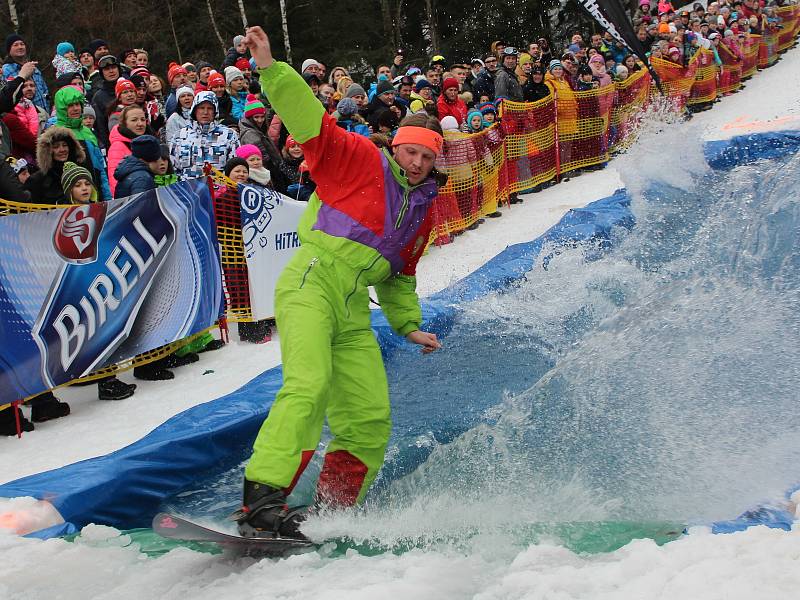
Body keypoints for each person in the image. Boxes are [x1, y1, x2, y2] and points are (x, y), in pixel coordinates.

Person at [232, 26, 442, 540]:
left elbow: (400, 276)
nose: (416, 163)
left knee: (369, 415)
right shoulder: (360, 159)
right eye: (411, 151)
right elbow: (312, 123)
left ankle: (334, 509)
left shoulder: (421, 212)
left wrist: (408, 324)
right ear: (398, 145)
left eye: (427, 157)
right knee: (308, 385)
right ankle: (262, 498)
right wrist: (270, 69)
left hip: (353, 309)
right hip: (311, 282)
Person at [53, 85, 112, 200]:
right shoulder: (56, 134)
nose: (76, 108)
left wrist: (107, 197)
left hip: (95, 195)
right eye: (70, 105)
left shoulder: (88, 132)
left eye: (78, 104)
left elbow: (100, 168)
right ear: (62, 108)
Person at [169, 90, 240, 180]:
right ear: (194, 110)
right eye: (201, 108)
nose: (205, 112)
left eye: (210, 108)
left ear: (215, 112)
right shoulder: (179, 136)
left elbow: (235, 168)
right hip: (189, 191)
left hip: (219, 191)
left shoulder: (229, 135)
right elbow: (174, 169)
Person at [107, 105, 148, 195]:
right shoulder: (118, 146)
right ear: (124, 123)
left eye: (142, 119)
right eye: (134, 120)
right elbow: (115, 181)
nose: (140, 123)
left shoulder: (147, 142)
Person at [3, 34, 49, 112]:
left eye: (22, 44)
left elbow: (45, 90)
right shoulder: (6, 70)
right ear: (9, 50)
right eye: (15, 45)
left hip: (44, 114)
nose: (20, 47)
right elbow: (8, 95)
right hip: (25, 115)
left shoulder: (33, 67)